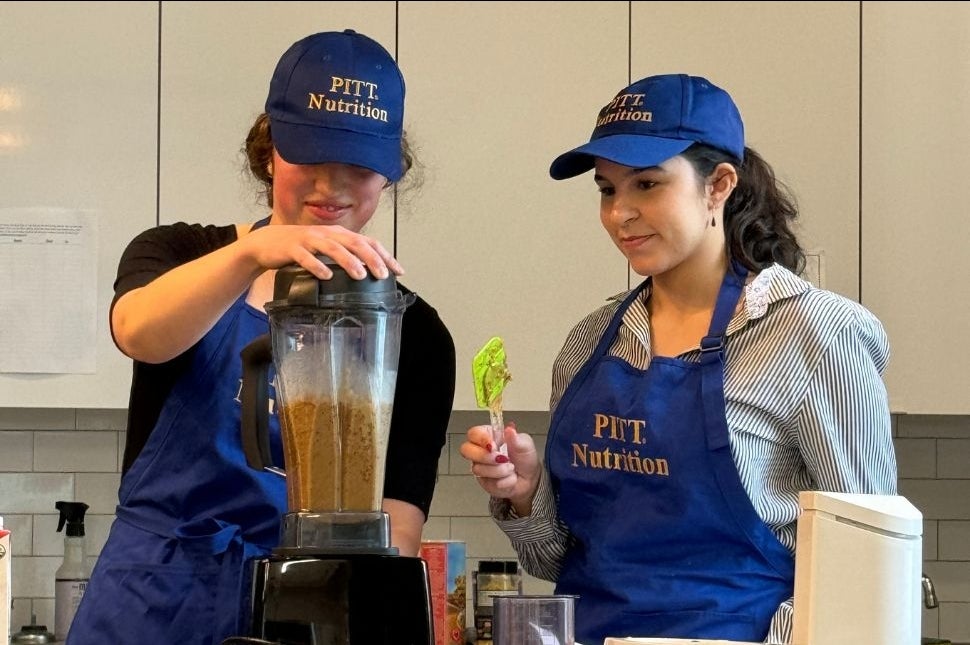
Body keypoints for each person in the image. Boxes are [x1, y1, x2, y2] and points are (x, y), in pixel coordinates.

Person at [461, 73, 896, 644]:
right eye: (607, 190)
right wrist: (524, 492)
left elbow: (868, 562)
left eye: (646, 184)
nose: (621, 213)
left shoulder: (814, 335)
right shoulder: (592, 340)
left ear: (718, 185)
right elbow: (558, 561)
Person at [67, 29, 456, 645]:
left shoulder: (419, 334)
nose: (332, 188)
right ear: (269, 149)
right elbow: (139, 332)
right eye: (310, 158)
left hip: (306, 607)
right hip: (150, 601)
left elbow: (398, 525)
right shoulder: (181, 253)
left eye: (358, 167)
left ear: (390, 174)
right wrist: (250, 255)